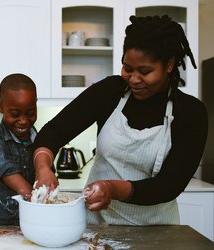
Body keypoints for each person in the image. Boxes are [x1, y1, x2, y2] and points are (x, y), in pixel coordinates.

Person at [32, 15, 208, 225]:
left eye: (145, 71)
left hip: (156, 232)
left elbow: (169, 185)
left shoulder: (190, 112)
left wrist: (112, 189)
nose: (133, 79)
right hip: (96, 224)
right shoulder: (109, 92)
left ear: (169, 64)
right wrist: (43, 167)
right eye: (128, 68)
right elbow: (54, 131)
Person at [0, 73, 38, 225]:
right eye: (15, 114)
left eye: (31, 113)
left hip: (33, 218)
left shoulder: (38, 138)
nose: (23, 121)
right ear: (0, 107)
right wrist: (30, 194)